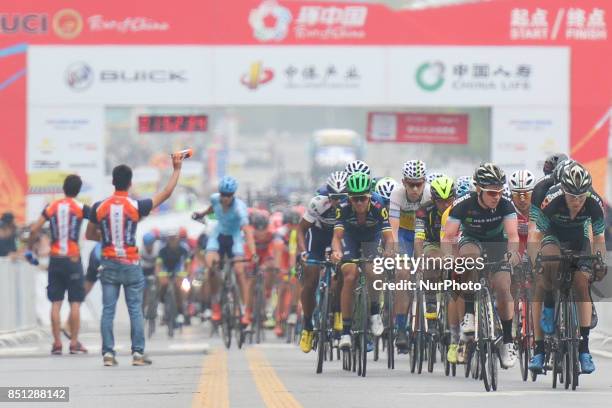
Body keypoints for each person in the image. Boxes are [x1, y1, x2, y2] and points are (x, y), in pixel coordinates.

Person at [86, 154, 184, 367]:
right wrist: (176, 169)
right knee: (135, 309)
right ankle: (138, 354)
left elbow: (89, 235)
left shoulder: (99, 207)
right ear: (130, 183)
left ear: (113, 182)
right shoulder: (136, 206)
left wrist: (108, 237)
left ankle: (108, 355)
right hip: (131, 263)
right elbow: (166, 193)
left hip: (109, 262)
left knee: (108, 309)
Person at [528, 163, 607, 374]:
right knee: (549, 264)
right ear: (563, 190)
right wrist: (536, 260)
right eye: (572, 197)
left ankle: (584, 350)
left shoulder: (594, 203)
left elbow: (599, 238)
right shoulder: (552, 199)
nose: (577, 202)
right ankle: (542, 336)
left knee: (582, 282)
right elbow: (537, 234)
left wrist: (600, 260)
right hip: (553, 235)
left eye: (581, 197)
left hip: (578, 239)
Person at [442, 163, 521, 368]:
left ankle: (507, 341)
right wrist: (448, 257)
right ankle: (468, 314)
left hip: (497, 243)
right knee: (469, 260)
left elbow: (512, 236)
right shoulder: (462, 204)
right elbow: (448, 236)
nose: (496, 196)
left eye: (499, 191)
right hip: (471, 240)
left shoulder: (505, 204)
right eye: (491, 192)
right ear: (479, 190)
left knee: (503, 287)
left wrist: (512, 253)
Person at [331, 171, 394, 350]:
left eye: (363, 199)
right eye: (355, 199)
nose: (359, 203)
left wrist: (389, 252)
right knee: (349, 275)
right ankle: (345, 331)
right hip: (350, 238)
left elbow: (389, 238)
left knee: (373, 271)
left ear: (369, 197)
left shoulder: (378, 205)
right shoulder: (342, 207)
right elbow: (337, 237)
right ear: (349, 198)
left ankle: (374, 312)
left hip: (371, 238)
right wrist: (336, 252)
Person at [29, 175, 90, 355]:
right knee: (75, 303)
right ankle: (73, 342)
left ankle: (56, 343)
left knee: (55, 303)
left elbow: (34, 229)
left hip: (55, 259)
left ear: (63, 188)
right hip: (72, 259)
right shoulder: (80, 207)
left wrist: (31, 248)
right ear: (78, 191)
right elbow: (96, 221)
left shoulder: (52, 207)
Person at [191, 176, 257, 327]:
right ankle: (215, 304)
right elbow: (211, 208)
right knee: (211, 266)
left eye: (228, 195)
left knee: (240, 271)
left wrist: (253, 253)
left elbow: (247, 231)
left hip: (234, 238)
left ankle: (244, 310)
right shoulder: (215, 199)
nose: (225, 198)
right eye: (223, 194)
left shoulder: (240, 208)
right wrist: (201, 215)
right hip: (218, 235)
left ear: (233, 195)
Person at [297, 171, 347, 353]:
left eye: (342, 198)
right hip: (318, 237)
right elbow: (301, 230)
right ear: (328, 194)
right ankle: (308, 325)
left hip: (340, 236)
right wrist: (303, 252)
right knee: (310, 279)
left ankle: (338, 311)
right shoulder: (317, 203)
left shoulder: (352, 205)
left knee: (345, 270)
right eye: (334, 198)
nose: (338, 202)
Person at [389, 159, 430, 352]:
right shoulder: (397, 194)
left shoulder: (429, 194)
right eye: (410, 184)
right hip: (404, 236)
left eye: (418, 184)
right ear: (403, 182)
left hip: (424, 236)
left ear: (424, 182)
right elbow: (394, 230)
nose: (414, 189)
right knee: (403, 274)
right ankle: (401, 328)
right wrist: (395, 251)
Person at [156, 229, 191, 328]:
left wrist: (184, 274)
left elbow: (187, 264)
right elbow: (158, 265)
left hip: (178, 268)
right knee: (163, 284)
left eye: (174, 238)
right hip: (166, 268)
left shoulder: (183, 249)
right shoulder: (162, 250)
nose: (172, 240)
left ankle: (180, 312)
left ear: (178, 238)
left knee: (179, 287)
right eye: (170, 239)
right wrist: (160, 275)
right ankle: (162, 304)